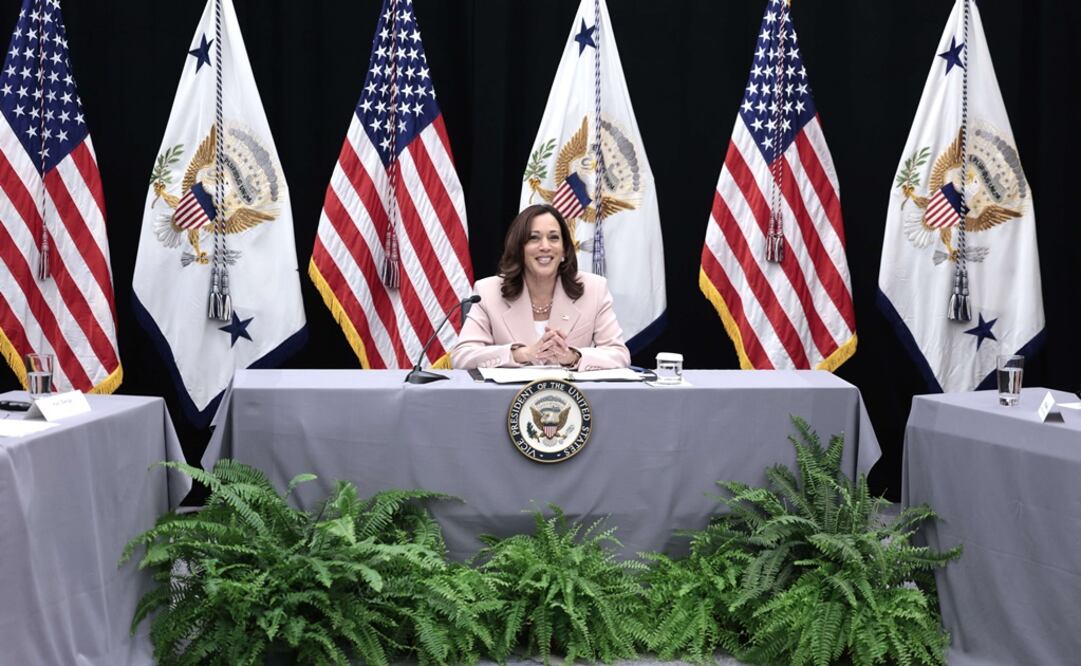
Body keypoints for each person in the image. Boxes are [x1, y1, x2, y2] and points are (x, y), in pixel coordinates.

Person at [451, 204, 631, 370]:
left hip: (573, 394)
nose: (545, 246)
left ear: (564, 250)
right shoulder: (488, 291)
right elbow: (462, 356)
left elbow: (619, 355)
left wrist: (572, 357)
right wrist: (521, 354)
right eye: (534, 238)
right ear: (519, 249)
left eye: (553, 238)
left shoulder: (594, 289)